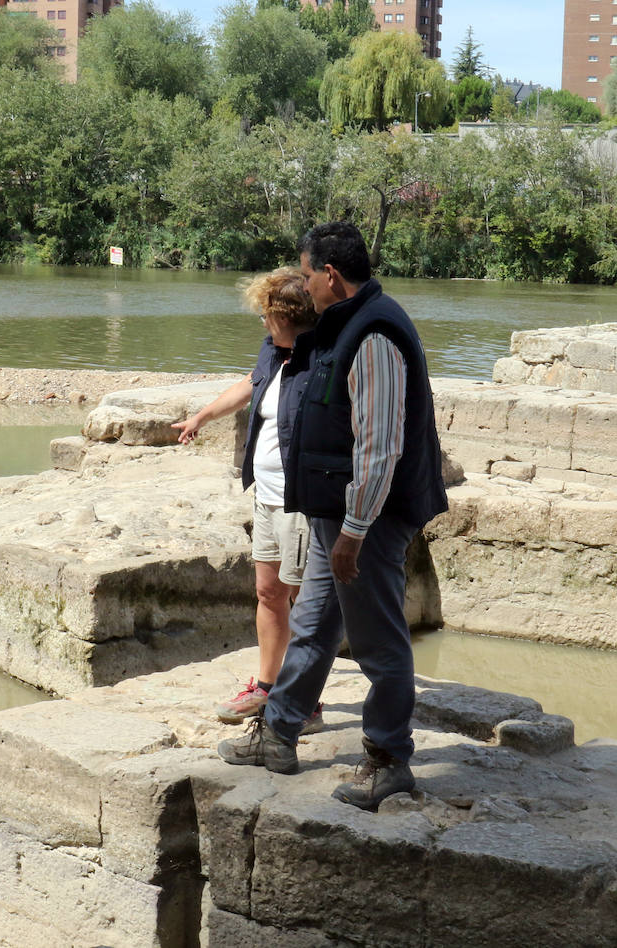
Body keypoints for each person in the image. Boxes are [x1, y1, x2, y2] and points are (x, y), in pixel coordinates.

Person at [217, 221, 448, 811]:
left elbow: (379, 446)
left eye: (308, 273)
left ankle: (389, 759)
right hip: (336, 514)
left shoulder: (373, 335)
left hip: (363, 520)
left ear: (331, 276)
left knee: (378, 643)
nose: (304, 284)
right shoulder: (346, 325)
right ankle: (279, 733)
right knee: (315, 623)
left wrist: (354, 531)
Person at [172, 268, 322, 732]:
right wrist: (200, 416)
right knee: (267, 592)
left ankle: (305, 702)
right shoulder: (274, 353)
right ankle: (265, 685)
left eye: (265, 314)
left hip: (301, 501)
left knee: (302, 603)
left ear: (285, 316)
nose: (261, 322)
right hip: (267, 494)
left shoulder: (320, 360)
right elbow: (249, 387)